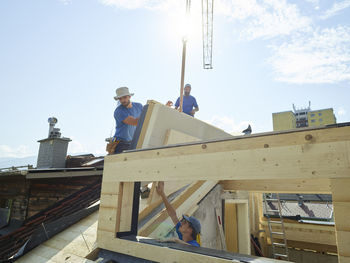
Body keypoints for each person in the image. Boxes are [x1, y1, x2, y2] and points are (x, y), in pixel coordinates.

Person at [156, 181, 201, 247]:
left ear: (190, 230)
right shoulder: (182, 235)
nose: (181, 223)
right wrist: (162, 193)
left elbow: (192, 248)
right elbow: (172, 214)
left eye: (185, 222)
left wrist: (176, 240)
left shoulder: (195, 245)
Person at [113, 87, 143, 154]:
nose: (123, 100)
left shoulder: (139, 106)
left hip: (135, 143)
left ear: (129, 97)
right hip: (121, 145)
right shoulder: (119, 111)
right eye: (120, 98)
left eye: (124, 97)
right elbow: (135, 122)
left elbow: (150, 117)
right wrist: (148, 112)